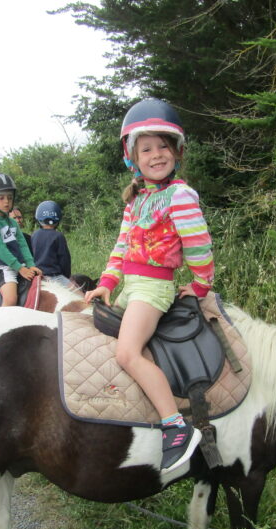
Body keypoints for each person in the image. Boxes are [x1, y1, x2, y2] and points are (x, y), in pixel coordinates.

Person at [84, 98, 215, 474]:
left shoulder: (180, 196)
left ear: (176, 151)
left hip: (154, 289)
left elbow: (198, 244)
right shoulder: (138, 199)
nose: (156, 155)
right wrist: (107, 283)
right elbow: (122, 245)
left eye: (163, 146)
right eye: (146, 149)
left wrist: (201, 283)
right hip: (132, 286)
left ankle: (176, 426)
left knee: (127, 353)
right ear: (133, 158)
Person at [0, 173, 42, 306]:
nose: (6, 201)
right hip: (3, 268)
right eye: (1, 198)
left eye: (9, 197)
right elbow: (0, 250)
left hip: (19, 265)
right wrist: (20, 268)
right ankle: (1, 325)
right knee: (11, 299)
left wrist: (30, 264)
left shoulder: (12, 223)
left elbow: (22, 244)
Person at [30, 200, 72, 288]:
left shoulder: (34, 235)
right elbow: (64, 261)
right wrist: (67, 276)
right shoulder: (59, 236)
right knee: (79, 295)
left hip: (37, 276)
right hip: (55, 277)